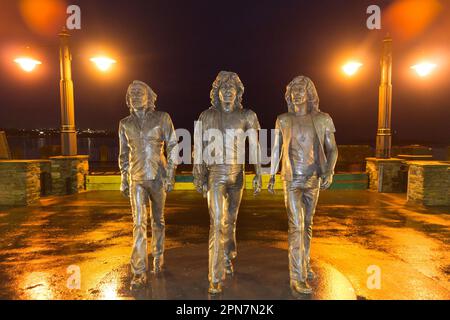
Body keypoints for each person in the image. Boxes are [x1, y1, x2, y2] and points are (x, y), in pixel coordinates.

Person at [193, 71, 262, 294]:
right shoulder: (206, 116)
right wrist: (199, 175)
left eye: (232, 88)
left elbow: (255, 147)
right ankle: (215, 275)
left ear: (238, 92)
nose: (228, 92)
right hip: (216, 174)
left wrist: (259, 173)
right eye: (223, 88)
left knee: (230, 221)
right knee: (217, 223)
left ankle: (229, 256)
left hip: (238, 175)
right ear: (216, 92)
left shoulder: (247, 116)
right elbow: (198, 148)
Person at [268, 76, 338, 294]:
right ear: (288, 96)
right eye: (293, 90)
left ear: (310, 94)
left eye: (301, 90)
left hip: (313, 179)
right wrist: (271, 175)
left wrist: (329, 170)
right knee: (296, 227)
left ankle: (305, 265)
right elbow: (277, 150)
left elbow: (332, 149)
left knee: (307, 225)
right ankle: (296, 277)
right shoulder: (283, 120)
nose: (297, 94)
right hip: (291, 180)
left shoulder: (323, 119)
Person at [119, 80, 178, 290]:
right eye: (132, 93)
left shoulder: (162, 118)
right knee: (138, 224)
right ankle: (138, 272)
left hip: (158, 177)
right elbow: (123, 154)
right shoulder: (124, 124)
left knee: (158, 221)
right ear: (128, 98)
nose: (135, 96)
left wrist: (171, 174)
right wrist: (123, 178)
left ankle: (158, 256)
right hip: (136, 178)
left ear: (149, 97)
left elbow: (172, 144)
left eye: (139, 92)